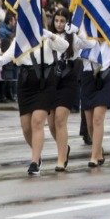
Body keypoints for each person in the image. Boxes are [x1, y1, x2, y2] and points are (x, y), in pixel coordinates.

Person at [0, 28, 68, 175]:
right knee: (26, 127)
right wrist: (0, 61)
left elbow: (64, 46)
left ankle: (34, 162)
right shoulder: (20, 38)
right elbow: (11, 52)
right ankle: (37, 154)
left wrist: (51, 36)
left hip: (45, 82)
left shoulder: (45, 37)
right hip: (25, 82)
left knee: (37, 121)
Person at [47, 9, 79, 171]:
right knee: (51, 123)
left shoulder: (73, 39)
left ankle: (61, 159)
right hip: (51, 80)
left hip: (68, 80)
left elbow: (90, 43)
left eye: (62, 21)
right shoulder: (49, 37)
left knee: (60, 119)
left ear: (67, 22)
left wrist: (77, 31)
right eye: (56, 20)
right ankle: (64, 148)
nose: (59, 24)